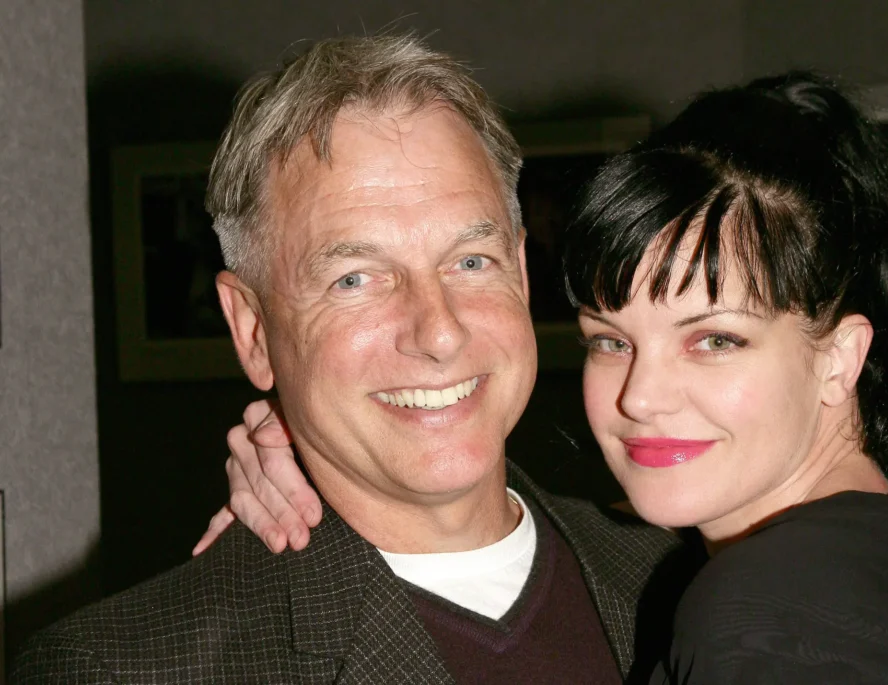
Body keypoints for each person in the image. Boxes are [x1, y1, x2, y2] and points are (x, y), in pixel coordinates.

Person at [206, 72, 888, 683]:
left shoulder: (759, 620)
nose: (642, 395)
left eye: (715, 340)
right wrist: (320, 444)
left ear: (840, 358)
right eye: (611, 340)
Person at [12, 35, 690, 684]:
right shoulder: (123, 668)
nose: (440, 332)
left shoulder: (684, 577)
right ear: (252, 330)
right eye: (355, 278)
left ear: (520, 269)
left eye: (470, 261)